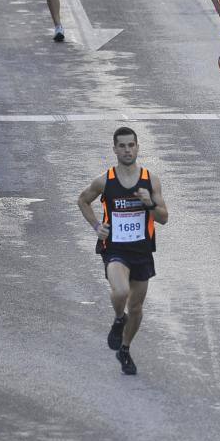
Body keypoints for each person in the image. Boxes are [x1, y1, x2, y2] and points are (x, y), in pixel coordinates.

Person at [77, 127, 169, 375]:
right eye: (122, 146)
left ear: (138, 147)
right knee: (121, 291)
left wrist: (148, 203)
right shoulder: (105, 180)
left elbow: (164, 218)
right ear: (115, 149)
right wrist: (97, 226)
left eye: (131, 145)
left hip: (141, 251)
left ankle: (125, 349)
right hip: (115, 249)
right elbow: (83, 200)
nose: (127, 150)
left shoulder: (150, 180)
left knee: (137, 309)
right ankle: (119, 318)